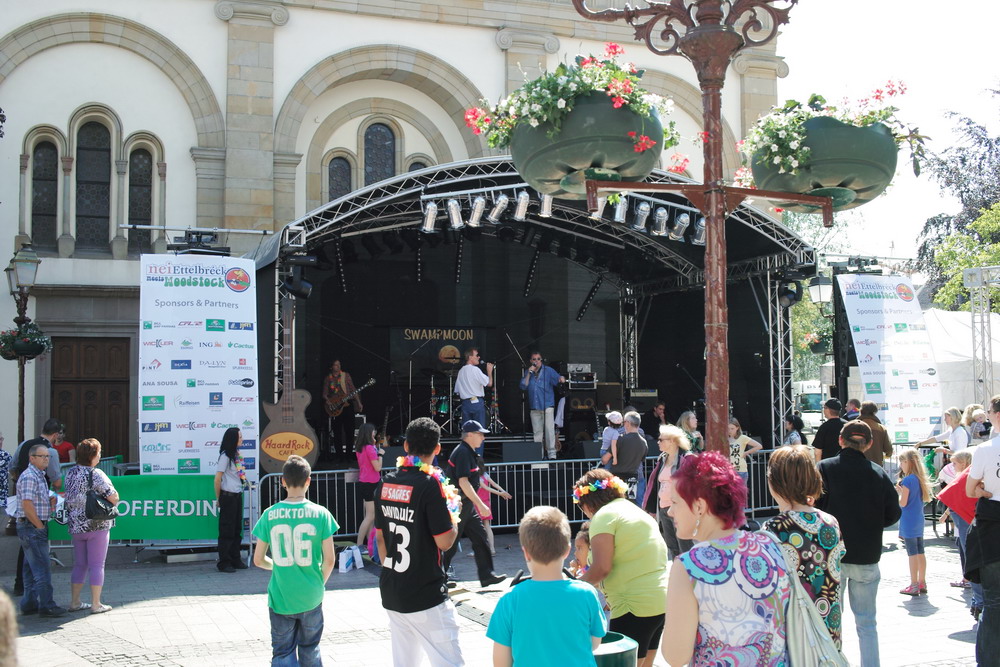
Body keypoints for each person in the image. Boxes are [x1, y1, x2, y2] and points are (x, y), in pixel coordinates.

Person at [661, 452, 790, 666]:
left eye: (675, 502)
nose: (670, 511)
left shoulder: (689, 566)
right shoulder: (771, 546)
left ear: (699, 507)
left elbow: (676, 656)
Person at [375, 417, 463, 666]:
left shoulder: (385, 482)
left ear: (405, 446)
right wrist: (455, 517)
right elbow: (445, 542)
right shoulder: (430, 484)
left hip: (393, 590)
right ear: (437, 449)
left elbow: (381, 538)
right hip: (426, 595)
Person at [816, 420, 901, 667]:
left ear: (840, 440)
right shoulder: (878, 472)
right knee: (867, 623)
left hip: (833, 557)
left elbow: (815, 507)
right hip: (867, 555)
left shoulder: (825, 468)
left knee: (831, 622)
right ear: (869, 444)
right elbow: (893, 514)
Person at [487, 506, 607, 666]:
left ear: (526, 552)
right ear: (567, 551)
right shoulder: (587, 594)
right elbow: (594, 643)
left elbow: (501, 661)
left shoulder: (509, 599)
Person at [575, 469, 667, 667]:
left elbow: (601, 568)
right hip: (659, 603)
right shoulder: (632, 509)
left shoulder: (604, 516)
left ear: (589, 503)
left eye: (582, 507)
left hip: (632, 606)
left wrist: (571, 588)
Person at [252, 455, 337, 666]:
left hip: (281, 596)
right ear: (309, 480)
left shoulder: (269, 514)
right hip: (311, 595)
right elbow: (329, 560)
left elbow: (258, 560)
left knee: (282, 652)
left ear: (282, 481)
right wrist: (318, 582)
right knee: (310, 649)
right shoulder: (321, 514)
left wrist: (278, 567)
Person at [764, 445, 846, 647]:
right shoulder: (830, 521)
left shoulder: (774, 528)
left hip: (794, 634)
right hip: (828, 628)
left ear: (776, 482)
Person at [442, 420, 506, 588]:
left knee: (480, 537)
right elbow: (463, 482)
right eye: (480, 434)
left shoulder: (467, 452)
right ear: (469, 435)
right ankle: (438, 578)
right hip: (459, 505)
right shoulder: (463, 453)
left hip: (466, 505)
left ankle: (487, 575)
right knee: (452, 543)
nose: (483, 438)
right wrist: (481, 505)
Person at [64, 438, 119, 614]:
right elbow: (113, 497)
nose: (100, 456)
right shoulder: (96, 474)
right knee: (97, 565)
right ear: (93, 455)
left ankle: (75, 601)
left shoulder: (70, 473)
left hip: (76, 525)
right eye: (99, 452)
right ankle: (96, 603)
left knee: (80, 564)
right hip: (97, 525)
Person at [966, 396, 1000, 663]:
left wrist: (980, 488)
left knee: (994, 603)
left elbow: (969, 490)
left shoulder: (986, 450)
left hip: (993, 531)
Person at [14, 443, 65, 617]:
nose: (46, 459)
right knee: (42, 567)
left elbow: (34, 500)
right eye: (42, 456)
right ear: (32, 458)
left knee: (30, 568)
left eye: (47, 457)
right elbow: (27, 505)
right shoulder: (30, 476)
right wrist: (39, 526)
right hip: (32, 527)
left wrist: (50, 500)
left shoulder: (38, 475)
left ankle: (29, 603)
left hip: (31, 526)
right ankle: (47, 605)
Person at [937, 450, 983, 618]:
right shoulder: (989, 451)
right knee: (974, 554)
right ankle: (979, 602)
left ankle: (979, 601)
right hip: (963, 503)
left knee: (973, 553)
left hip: (963, 503)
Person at [642, 424, 693, 560]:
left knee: (685, 545)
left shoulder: (687, 459)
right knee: (672, 546)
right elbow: (654, 484)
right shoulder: (662, 459)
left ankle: (690, 576)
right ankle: (679, 574)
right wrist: (651, 508)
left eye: (661, 439)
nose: (658, 442)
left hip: (680, 510)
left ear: (672, 441)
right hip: (664, 508)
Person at [896, 448, 932, 595]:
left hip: (908, 520)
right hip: (918, 519)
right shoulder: (918, 479)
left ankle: (914, 583)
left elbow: (903, 503)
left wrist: (899, 493)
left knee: (912, 553)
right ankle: (922, 581)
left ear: (907, 462)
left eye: (901, 462)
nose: (900, 466)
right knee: (920, 551)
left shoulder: (907, 480)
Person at [214, 427, 249, 573]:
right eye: (239, 437)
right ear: (232, 439)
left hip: (237, 495)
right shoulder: (225, 457)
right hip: (227, 496)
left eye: (241, 437)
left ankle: (235, 558)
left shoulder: (236, 455)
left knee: (236, 529)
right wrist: (218, 498)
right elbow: (217, 479)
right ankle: (224, 562)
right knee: (226, 530)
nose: (242, 440)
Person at [519, 351, 566, 460]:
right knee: (537, 432)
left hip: (547, 405)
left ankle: (552, 454)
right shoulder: (528, 372)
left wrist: (561, 379)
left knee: (549, 430)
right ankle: (538, 455)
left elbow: (558, 379)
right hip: (534, 407)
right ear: (531, 361)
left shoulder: (548, 370)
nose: (536, 361)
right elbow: (523, 386)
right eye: (534, 359)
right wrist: (528, 374)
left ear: (541, 360)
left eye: (538, 359)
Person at [322, 359, 363, 460]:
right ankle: (339, 456)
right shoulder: (328, 378)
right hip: (336, 408)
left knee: (350, 431)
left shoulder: (346, 375)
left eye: (339, 364)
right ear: (331, 367)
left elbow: (353, 390)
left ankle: (349, 456)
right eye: (336, 365)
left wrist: (358, 402)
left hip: (347, 406)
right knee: (337, 432)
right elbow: (324, 394)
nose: (338, 366)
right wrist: (328, 401)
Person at [354, 423, 383, 556]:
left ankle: (369, 544)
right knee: (370, 516)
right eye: (373, 431)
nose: (375, 433)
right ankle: (359, 545)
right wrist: (381, 455)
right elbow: (377, 467)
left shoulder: (360, 448)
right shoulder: (370, 448)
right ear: (369, 433)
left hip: (364, 482)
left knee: (370, 516)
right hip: (371, 483)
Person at [474, 458, 511, 555]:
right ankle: (492, 549)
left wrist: (501, 493)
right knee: (486, 525)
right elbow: (494, 484)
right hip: (486, 503)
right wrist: (503, 491)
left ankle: (480, 550)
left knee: (477, 527)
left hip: (478, 503)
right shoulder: (485, 475)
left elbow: (486, 487)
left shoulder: (477, 477)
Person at [609, 411, 647, 502]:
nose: (623, 424)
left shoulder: (619, 439)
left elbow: (606, 457)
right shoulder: (644, 442)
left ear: (628, 423)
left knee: (617, 502)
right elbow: (642, 458)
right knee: (632, 502)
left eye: (624, 421)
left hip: (618, 478)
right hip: (634, 477)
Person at [455, 348, 492, 433]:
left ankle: (468, 446)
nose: (479, 357)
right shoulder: (475, 369)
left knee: (467, 433)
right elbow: (489, 383)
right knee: (478, 432)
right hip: (476, 403)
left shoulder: (461, 371)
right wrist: (489, 372)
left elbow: (457, 390)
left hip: (465, 403)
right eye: (476, 355)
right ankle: (478, 446)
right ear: (470, 357)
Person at [727, 417, 762, 481]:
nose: (730, 431)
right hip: (728, 470)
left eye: (732, 429)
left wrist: (746, 452)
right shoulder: (725, 439)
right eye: (728, 429)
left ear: (737, 428)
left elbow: (759, 446)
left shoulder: (742, 438)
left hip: (740, 470)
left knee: (741, 490)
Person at [858, 401, 892, 466]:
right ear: (874, 412)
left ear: (861, 411)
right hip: (876, 467)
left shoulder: (852, 426)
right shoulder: (881, 428)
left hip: (857, 466)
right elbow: (889, 450)